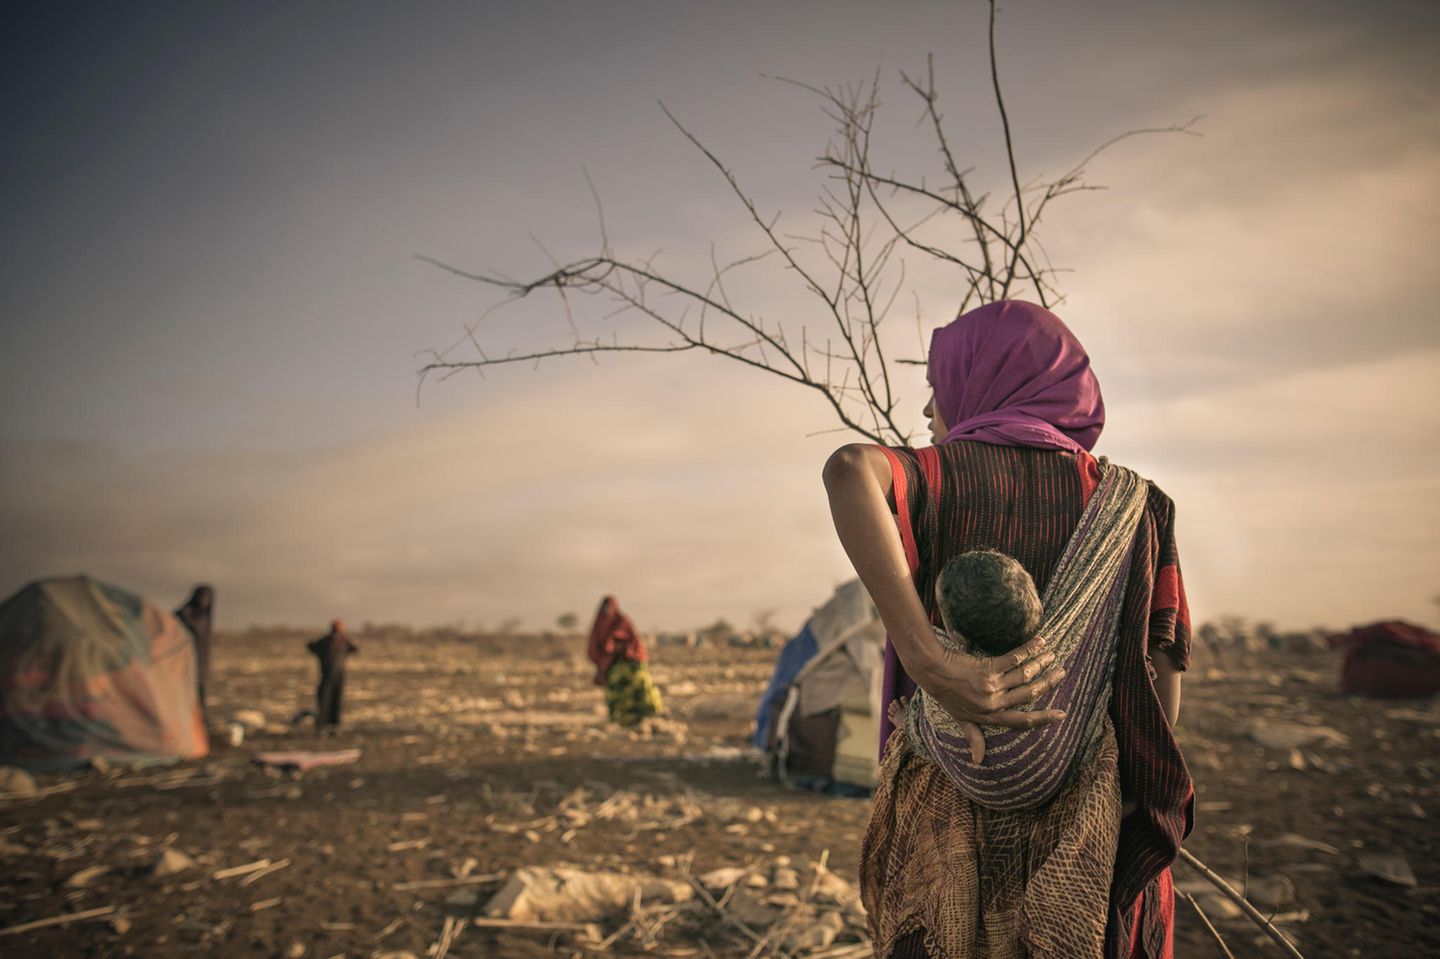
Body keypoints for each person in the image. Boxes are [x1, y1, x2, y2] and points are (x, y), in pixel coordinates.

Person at [823, 300, 1190, 959]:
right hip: (1086, 823)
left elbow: (849, 469)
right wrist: (1134, 799)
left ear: (978, 380)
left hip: (945, 823)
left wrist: (930, 662)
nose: (930, 412)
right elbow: (1161, 668)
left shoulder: (930, 475)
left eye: (936, 391)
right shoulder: (1136, 504)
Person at [586, 596, 664, 727]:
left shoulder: (623, 621)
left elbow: (632, 640)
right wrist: (608, 656)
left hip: (630, 661)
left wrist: (622, 647)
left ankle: (646, 715)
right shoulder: (599, 624)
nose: (608, 611)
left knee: (640, 686)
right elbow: (595, 647)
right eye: (605, 608)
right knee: (616, 693)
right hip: (611, 665)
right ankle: (621, 718)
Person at [306, 620, 358, 734]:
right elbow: (311, 646)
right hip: (327, 676)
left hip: (338, 676)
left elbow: (354, 648)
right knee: (324, 701)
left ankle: (335, 725)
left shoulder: (343, 642)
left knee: (336, 701)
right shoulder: (326, 641)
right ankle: (322, 725)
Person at [174, 584, 215, 715]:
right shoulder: (184, 615)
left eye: (208, 598)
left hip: (200, 670)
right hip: (183, 666)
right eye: (203, 597)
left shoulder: (205, 617)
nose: (205, 601)